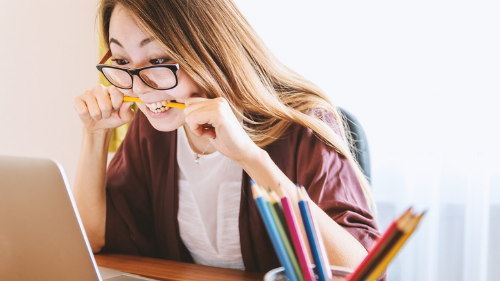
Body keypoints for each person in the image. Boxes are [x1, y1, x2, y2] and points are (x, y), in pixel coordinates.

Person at [73, 0, 380, 273]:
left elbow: (362, 271)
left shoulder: (302, 125)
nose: (138, 88)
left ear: (208, 49)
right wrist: (94, 134)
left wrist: (250, 157)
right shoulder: (155, 128)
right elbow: (93, 238)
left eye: (157, 61)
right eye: (123, 62)